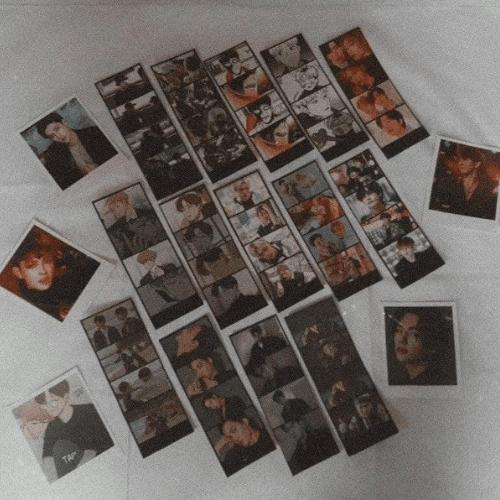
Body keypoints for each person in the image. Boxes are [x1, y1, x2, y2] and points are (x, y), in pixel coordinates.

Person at [5, 228, 98, 321]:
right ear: (18, 272)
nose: (43, 271)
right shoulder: (23, 308)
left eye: (47, 261)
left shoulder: (71, 282)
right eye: (32, 265)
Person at [34, 380, 113, 480]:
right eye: (45, 404)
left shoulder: (90, 410)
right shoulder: (51, 427)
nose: (49, 407)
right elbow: (48, 459)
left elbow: (106, 445)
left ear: (66, 397)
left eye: (53, 401)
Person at [35, 112, 116, 190]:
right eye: (52, 136)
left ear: (64, 123)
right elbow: (66, 184)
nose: (59, 136)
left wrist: (101, 169)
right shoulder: (57, 154)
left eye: (57, 129)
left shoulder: (95, 132)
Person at [388, 308, 456, 385]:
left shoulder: (436, 382)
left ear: (432, 346)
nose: (402, 340)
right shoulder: (401, 380)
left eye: (413, 334)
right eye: (399, 330)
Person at [430, 143, 498, 219]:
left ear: (477, 164)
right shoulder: (448, 183)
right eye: (459, 159)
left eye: (465, 159)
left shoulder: (488, 189)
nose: (460, 163)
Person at [102, 191, 166, 260]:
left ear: (126, 202)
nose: (116, 211)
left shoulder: (150, 214)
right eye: (113, 209)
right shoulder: (116, 228)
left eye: (118, 206)